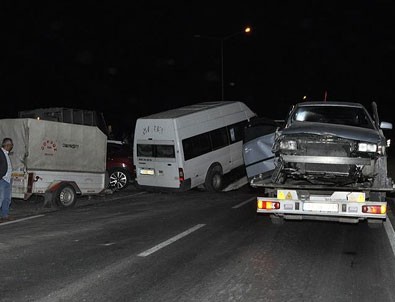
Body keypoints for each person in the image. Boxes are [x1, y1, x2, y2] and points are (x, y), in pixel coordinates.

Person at [0, 137, 14, 222]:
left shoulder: (6, 153)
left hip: (8, 180)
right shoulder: (0, 153)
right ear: (7, 145)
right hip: (2, 180)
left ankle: (4, 215)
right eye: (11, 145)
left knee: (7, 199)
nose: (12, 146)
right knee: (0, 198)